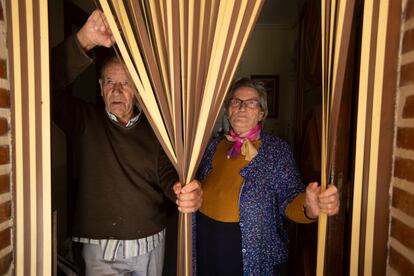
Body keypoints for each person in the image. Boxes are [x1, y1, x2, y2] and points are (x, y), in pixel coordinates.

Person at [51, 10, 202, 276]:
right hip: (101, 249)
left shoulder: (157, 128)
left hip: (150, 242)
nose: (117, 91)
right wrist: (84, 40)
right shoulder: (84, 121)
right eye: (110, 82)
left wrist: (182, 191)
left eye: (126, 83)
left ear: (138, 91)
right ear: (100, 88)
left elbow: (167, 174)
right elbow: (38, 86)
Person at [195, 78, 339, 275]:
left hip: (246, 249)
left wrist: (309, 208)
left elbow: (290, 198)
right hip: (205, 241)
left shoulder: (276, 150)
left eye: (251, 102)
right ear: (228, 110)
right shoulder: (213, 146)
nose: (242, 107)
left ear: (262, 113)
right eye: (235, 102)